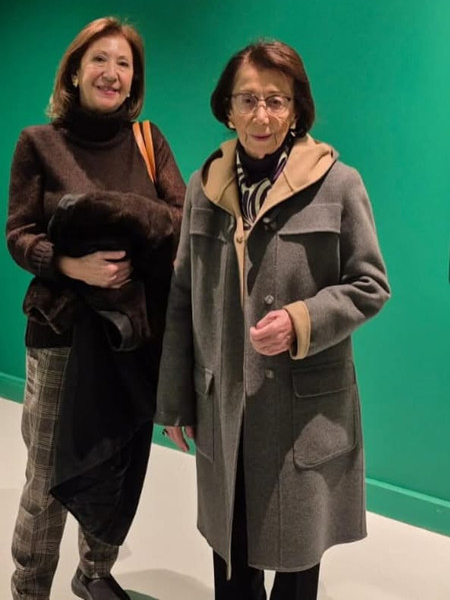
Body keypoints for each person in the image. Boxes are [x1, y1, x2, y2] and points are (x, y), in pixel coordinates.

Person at [155, 40, 390, 600]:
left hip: (301, 410)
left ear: (295, 110)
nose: (261, 115)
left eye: (276, 101)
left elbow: (370, 284)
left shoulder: (339, 183)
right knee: (231, 556)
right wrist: (174, 400)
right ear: (228, 108)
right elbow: (183, 294)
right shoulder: (204, 187)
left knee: (296, 559)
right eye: (248, 100)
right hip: (224, 407)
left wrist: (302, 320)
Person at [6, 17, 185, 600]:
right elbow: (18, 235)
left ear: (135, 80)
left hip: (129, 335)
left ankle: (93, 574)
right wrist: (68, 264)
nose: (112, 73)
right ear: (75, 72)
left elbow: (182, 222)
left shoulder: (148, 142)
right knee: (47, 478)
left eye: (124, 63)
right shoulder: (39, 143)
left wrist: (122, 214)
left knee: (117, 463)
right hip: (60, 333)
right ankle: (29, 588)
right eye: (100, 60)